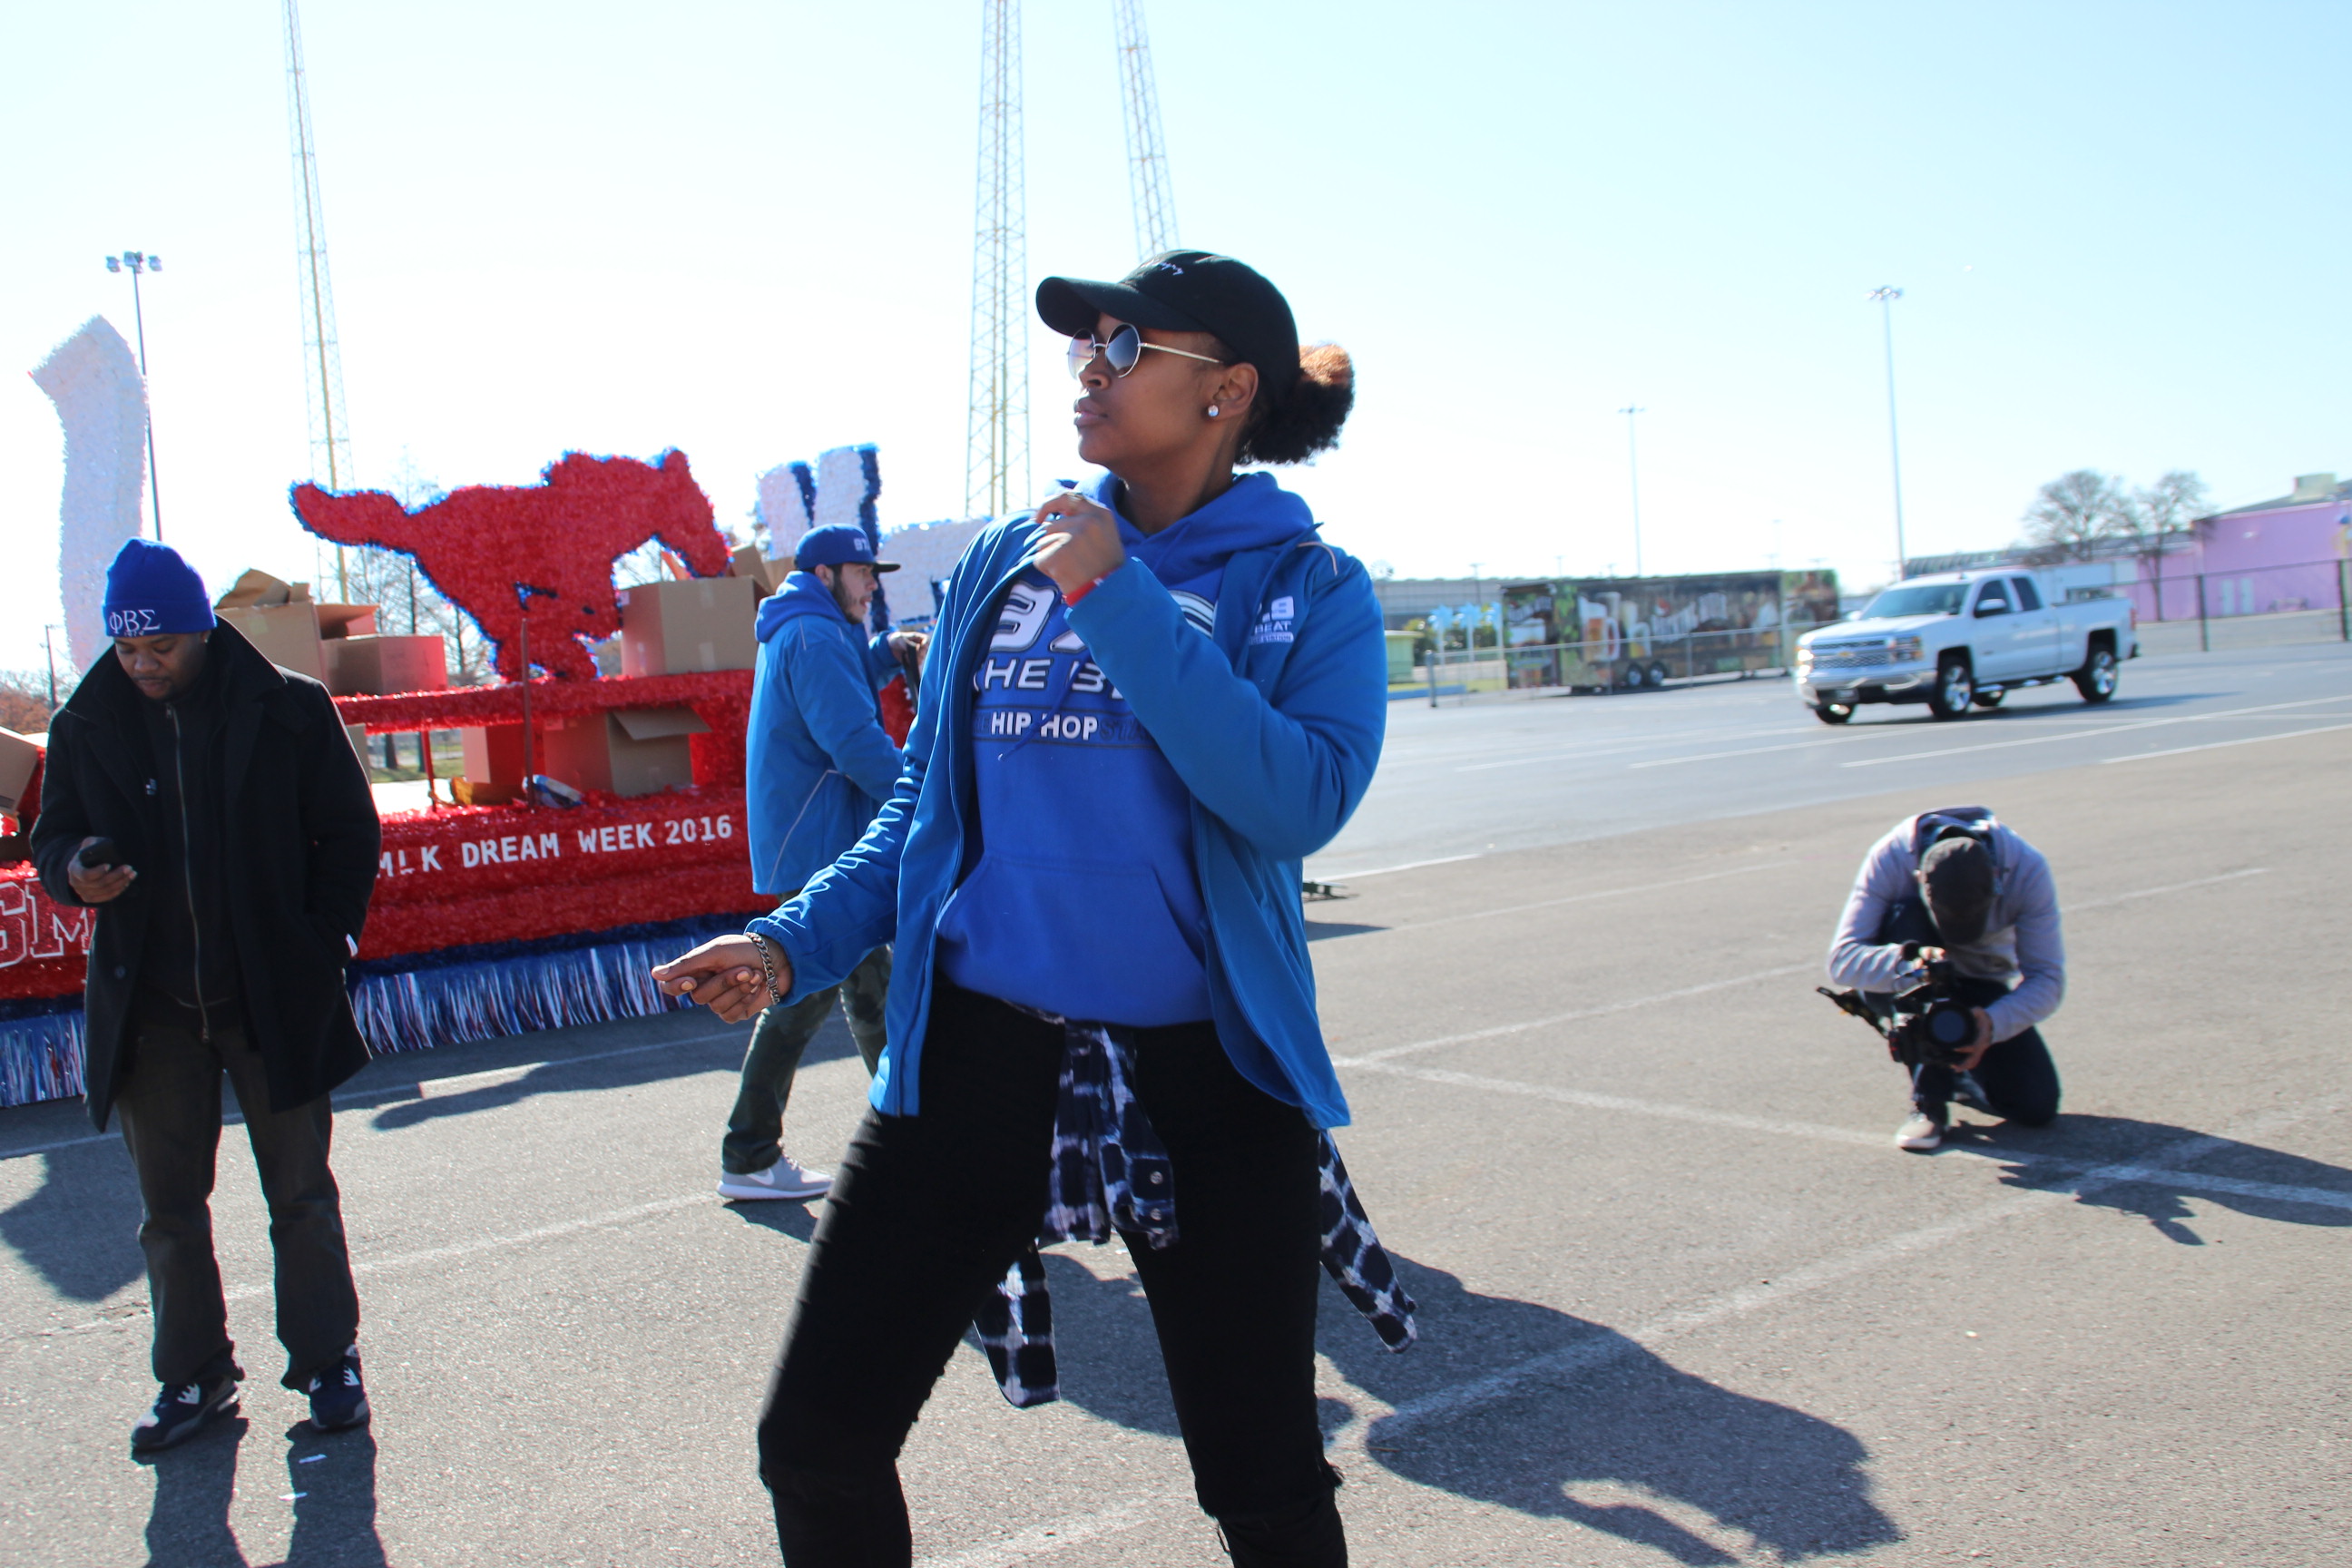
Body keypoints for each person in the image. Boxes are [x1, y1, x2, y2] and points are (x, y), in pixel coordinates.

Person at [653, 250, 1387, 1566]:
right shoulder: (1010, 560)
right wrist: (786, 942)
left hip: (1209, 1081)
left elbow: (1294, 803)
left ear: (1225, 390)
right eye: (1085, 345)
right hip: (975, 1057)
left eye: (1128, 347)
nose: (1091, 370)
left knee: (1263, 1482)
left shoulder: (1306, 586)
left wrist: (1118, 595)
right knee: (814, 1442)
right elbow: (920, 809)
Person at [31, 540, 381, 1452]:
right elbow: (51, 836)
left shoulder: (289, 707)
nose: (142, 666)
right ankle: (194, 1377)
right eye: (126, 650)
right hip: (151, 1010)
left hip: (271, 996)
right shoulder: (84, 723)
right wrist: (74, 872)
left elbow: (350, 833)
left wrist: (326, 945)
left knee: (301, 1194)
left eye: (162, 648)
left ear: (202, 632)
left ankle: (329, 1361)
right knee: (169, 1213)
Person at [721, 523, 926, 1201]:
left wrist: (882, 653)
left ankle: (751, 1153)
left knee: (806, 997)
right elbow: (854, 742)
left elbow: (841, 687)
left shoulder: (808, 627)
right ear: (827, 574)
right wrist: (929, 801)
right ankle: (914, 1154)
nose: (873, 587)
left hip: (814, 839)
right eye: (865, 574)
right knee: (870, 1001)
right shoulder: (813, 634)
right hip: (824, 844)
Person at [1827, 805, 2064, 1152]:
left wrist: (1993, 1023)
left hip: (1982, 979)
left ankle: (1960, 1075)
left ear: (1998, 878)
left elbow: (2048, 978)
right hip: (1913, 978)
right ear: (1919, 879)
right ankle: (1929, 1104)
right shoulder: (1891, 856)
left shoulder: (2027, 868)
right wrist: (1910, 964)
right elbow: (1842, 961)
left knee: (2035, 1106)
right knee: (1906, 917)